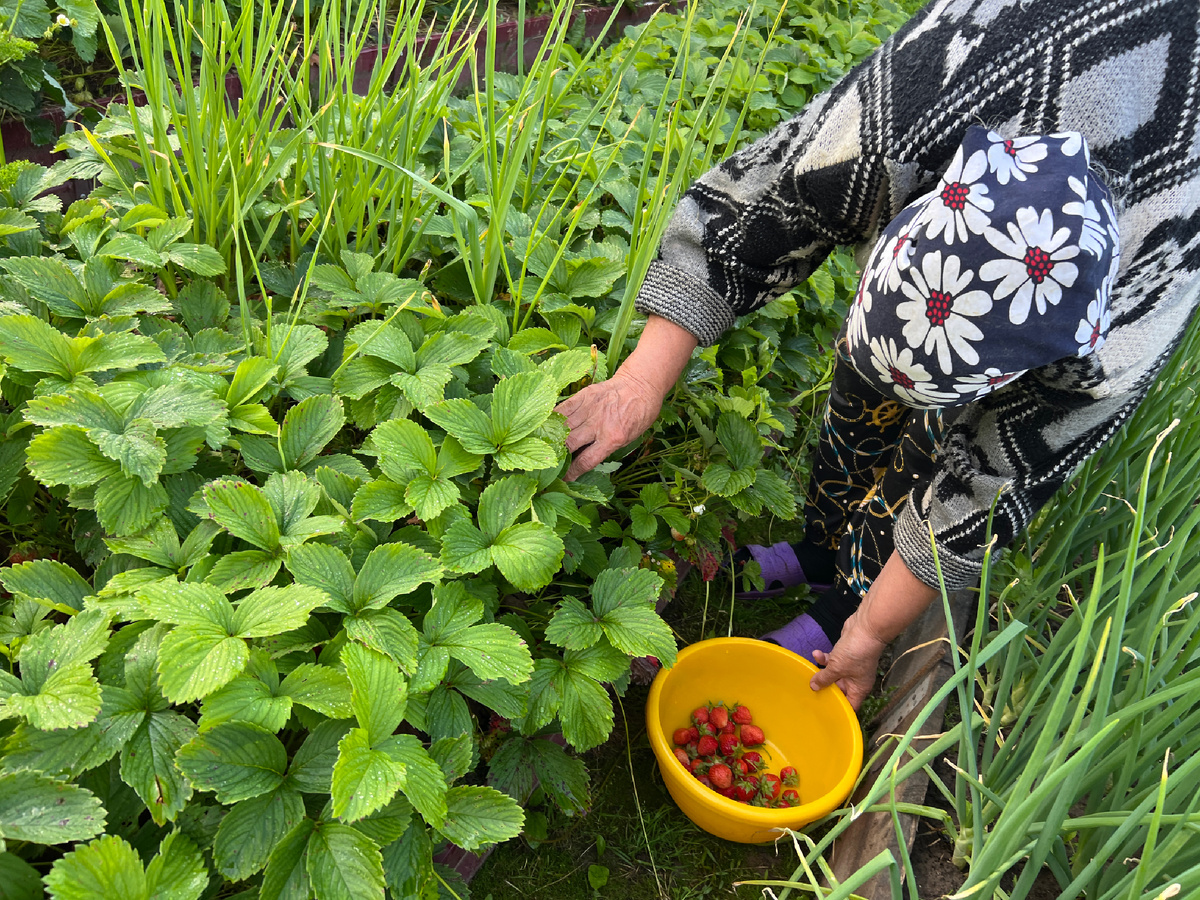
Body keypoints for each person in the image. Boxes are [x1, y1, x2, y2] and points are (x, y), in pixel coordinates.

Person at [555, 0, 1200, 709]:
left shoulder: (1128, 326)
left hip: (1141, 197)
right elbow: (755, 210)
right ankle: (820, 545)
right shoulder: (902, 115)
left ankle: (847, 601)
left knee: (928, 453)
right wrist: (638, 383)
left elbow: (986, 490)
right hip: (1021, 57)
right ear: (908, 214)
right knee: (857, 403)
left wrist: (868, 635)